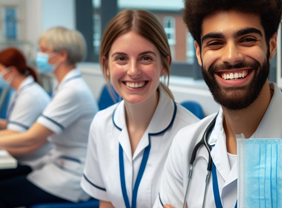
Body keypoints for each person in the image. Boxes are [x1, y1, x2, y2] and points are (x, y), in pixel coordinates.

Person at [155, 0, 282, 207]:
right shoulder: (186, 144)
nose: (231, 57)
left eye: (247, 39)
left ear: (272, 45)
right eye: (215, 43)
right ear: (198, 53)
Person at [80, 9, 199, 208]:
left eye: (146, 58)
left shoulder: (192, 135)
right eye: (121, 58)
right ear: (106, 65)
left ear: (164, 65)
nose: (133, 71)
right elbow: (107, 202)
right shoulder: (101, 124)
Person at [0, 26, 98, 207]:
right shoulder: (64, 86)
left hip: (71, 174)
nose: (39, 55)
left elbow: (30, 138)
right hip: (57, 163)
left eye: (44, 50)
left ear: (61, 55)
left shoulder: (73, 91)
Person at [0, 47, 52, 180]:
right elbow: (19, 125)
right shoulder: (18, 91)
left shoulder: (30, 95)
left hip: (33, 161)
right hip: (23, 154)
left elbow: (16, 133)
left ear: (11, 71)